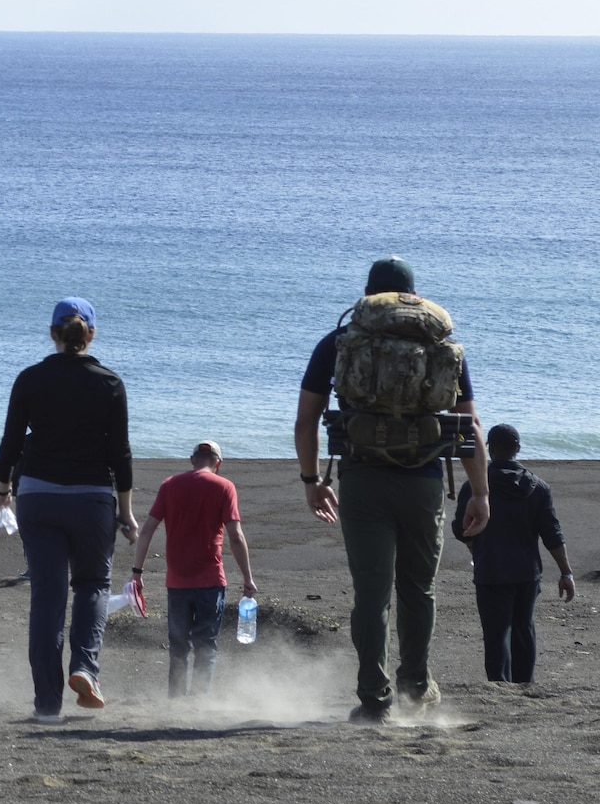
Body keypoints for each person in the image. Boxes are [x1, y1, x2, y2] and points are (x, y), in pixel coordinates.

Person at [295, 257, 489, 723]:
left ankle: (373, 699)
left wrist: (311, 480)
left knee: (372, 592)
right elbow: (470, 428)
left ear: (369, 294)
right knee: (419, 589)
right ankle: (416, 688)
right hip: (423, 482)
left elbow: (306, 421)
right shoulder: (442, 346)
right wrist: (480, 492)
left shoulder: (339, 342)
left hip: (362, 479)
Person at [0, 297, 137, 722]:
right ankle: (84, 668)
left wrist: (3, 489)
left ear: (53, 333)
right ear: (91, 334)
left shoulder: (30, 379)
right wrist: (125, 511)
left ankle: (47, 705)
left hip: (38, 497)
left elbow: (10, 442)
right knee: (91, 585)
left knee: (47, 599)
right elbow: (120, 454)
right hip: (92, 498)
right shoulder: (109, 383)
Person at [129, 441, 257, 697]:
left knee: (178, 646)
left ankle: (176, 700)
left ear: (192, 459)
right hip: (211, 581)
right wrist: (248, 579)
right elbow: (236, 536)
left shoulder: (170, 485)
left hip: (177, 582)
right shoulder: (224, 486)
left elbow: (146, 531)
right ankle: (198, 701)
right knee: (206, 645)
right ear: (218, 463)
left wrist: (137, 572)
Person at [452, 425, 575, 684]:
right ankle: (524, 684)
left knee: (496, 634)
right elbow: (553, 534)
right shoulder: (538, 487)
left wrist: (474, 540)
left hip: (491, 570)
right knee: (524, 629)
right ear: (517, 448)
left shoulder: (475, 488)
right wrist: (566, 572)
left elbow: (461, 530)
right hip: (527, 573)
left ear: (490, 448)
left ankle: (499, 685)